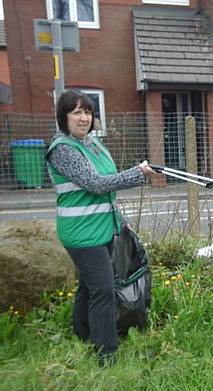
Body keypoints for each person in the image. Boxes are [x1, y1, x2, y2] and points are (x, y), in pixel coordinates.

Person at [46, 89, 155, 365]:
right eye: (76, 112)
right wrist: (136, 174)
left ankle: (82, 332)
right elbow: (94, 185)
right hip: (81, 234)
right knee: (104, 290)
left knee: (89, 286)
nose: (84, 118)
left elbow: (107, 189)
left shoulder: (92, 145)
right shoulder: (63, 150)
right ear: (64, 117)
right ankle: (106, 354)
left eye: (88, 112)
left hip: (102, 228)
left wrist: (120, 220)